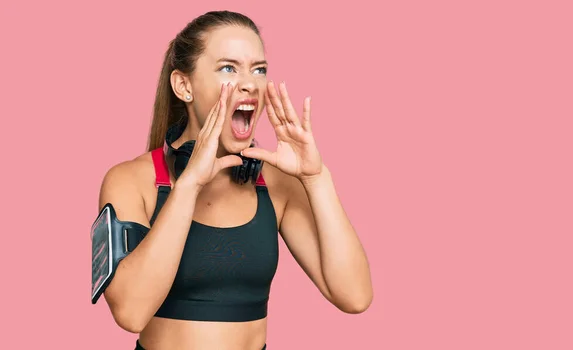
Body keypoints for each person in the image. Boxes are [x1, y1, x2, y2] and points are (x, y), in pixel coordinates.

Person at [97, 10, 373, 350]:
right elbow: (130, 313)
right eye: (228, 68)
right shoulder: (131, 180)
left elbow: (354, 296)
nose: (249, 83)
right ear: (184, 85)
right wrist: (187, 187)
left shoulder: (275, 184)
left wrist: (316, 179)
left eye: (258, 69)